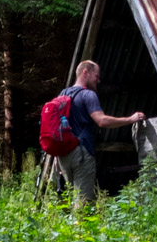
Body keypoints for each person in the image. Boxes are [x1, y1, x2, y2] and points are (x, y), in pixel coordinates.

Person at [56, 60, 146, 212]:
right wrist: (130, 119)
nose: (99, 80)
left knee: (72, 197)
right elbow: (102, 121)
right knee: (83, 201)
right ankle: (80, 232)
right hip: (82, 152)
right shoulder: (88, 95)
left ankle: (69, 229)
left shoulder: (63, 95)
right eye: (96, 76)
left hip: (64, 154)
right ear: (86, 72)